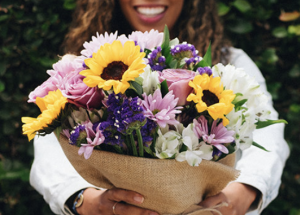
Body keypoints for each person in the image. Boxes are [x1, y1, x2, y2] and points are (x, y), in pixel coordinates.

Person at [29, 0, 290, 215]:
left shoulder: (231, 63)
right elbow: (51, 148)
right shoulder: (83, 68)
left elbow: (268, 137)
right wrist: (85, 201)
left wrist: (243, 192)